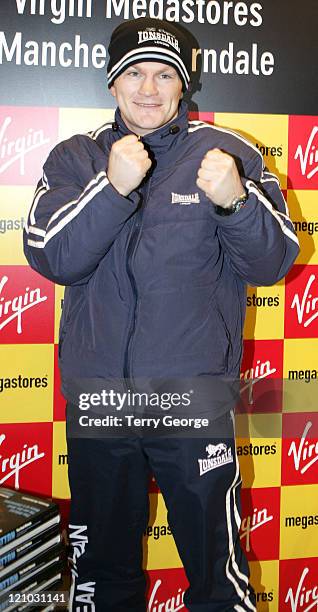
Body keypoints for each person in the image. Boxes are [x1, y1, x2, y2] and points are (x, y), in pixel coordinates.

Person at [23, 17, 299, 612]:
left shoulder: (230, 156)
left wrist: (236, 202)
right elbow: (51, 257)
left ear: (184, 86)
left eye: (165, 74)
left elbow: (274, 261)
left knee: (217, 580)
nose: (149, 89)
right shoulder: (76, 157)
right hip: (101, 399)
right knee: (102, 574)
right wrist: (111, 189)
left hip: (191, 400)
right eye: (135, 73)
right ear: (112, 84)